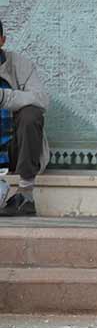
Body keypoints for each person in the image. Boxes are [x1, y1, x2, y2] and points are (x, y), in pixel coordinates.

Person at [0, 19, 50, 216]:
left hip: (16, 149)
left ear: (2, 40)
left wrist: (4, 97)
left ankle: (26, 194)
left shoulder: (19, 64)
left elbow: (42, 100)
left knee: (31, 113)